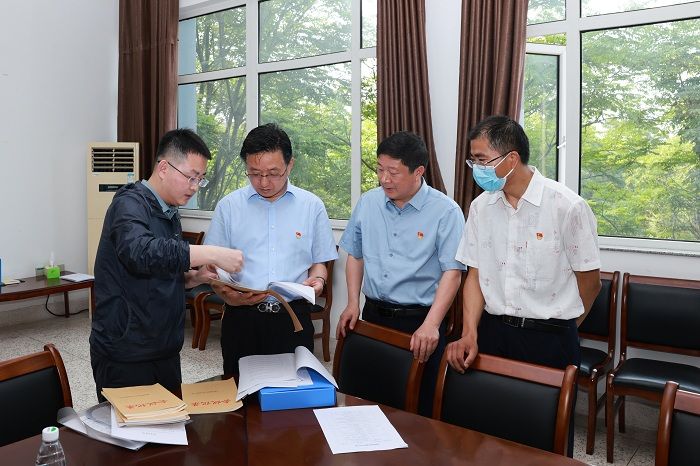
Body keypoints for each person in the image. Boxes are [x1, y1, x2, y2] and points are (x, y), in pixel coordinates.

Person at [445, 116, 601, 457]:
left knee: (545, 442)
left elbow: (590, 283)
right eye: (472, 161)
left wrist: (564, 325)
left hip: (550, 341)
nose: (476, 169)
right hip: (493, 333)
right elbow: (475, 275)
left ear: (511, 159)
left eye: (482, 160)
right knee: (489, 436)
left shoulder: (566, 206)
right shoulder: (481, 207)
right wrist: (470, 332)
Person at [90, 128, 244, 400]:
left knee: (171, 420)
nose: (195, 187)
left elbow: (159, 271)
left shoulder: (169, 211)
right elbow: (140, 252)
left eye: (200, 179)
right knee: (131, 426)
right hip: (127, 350)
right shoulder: (129, 204)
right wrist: (212, 253)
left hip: (164, 348)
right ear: (163, 168)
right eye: (191, 177)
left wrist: (195, 278)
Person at [336, 131, 465, 416]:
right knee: (366, 400)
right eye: (380, 169)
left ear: (418, 171)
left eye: (393, 172)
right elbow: (355, 254)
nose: (384, 179)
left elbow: (453, 273)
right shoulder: (368, 203)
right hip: (373, 316)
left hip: (419, 323)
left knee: (417, 409)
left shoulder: (446, 212)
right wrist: (353, 302)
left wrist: (431, 325)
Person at [205, 123, 338, 377]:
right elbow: (211, 267)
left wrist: (319, 280)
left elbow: (319, 263)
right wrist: (226, 294)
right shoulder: (229, 207)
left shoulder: (312, 206)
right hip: (241, 317)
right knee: (239, 390)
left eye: (273, 173)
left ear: (290, 165)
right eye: (254, 173)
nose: (264, 182)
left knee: (293, 394)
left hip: (293, 318)